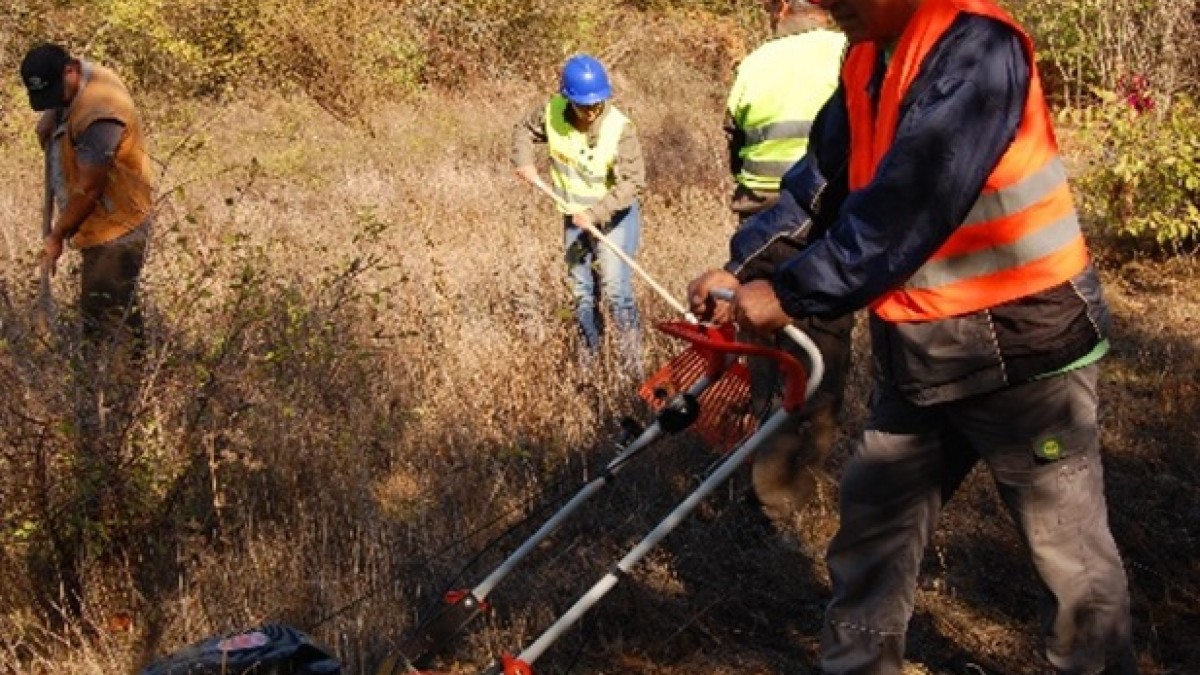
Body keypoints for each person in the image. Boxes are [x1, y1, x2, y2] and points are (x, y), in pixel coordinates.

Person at [687, 0, 1137, 672]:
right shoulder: (867, 55)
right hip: (922, 357)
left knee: (1072, 567)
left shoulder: (978, 50)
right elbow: (820, 189)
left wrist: (787, 294)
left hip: (1024, 355)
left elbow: (906, 205)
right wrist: (744, 268)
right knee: (870, 538)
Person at [20, 42, 154, 618]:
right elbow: (54, 131)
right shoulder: (75, 94)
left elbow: (91, 186)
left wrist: (57, 237)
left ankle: (109, 412)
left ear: (73, 72)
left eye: (56, 92)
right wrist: (50, 121)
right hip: (99, 227)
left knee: (100, 331)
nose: (53, 104)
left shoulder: (99, 113)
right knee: (122, 318)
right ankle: (142, 380)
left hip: (113, 230)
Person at [723, 0, 853, 525]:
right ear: (826, 13)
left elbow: (733, 141)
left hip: (758, 220)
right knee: (819, 357)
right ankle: (779, 495)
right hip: (824, 223)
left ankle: (754, 442)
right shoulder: (846, 52)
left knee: (763, 347)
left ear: (783, 14)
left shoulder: (755, 62)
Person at [512, 54, 646, 377]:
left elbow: (634, 183)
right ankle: (590, 370)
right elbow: (523, 129)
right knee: (582, 294)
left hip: (615, 219)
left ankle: (634, 373)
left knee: (616, 293)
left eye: (597, 104)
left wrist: (595, 212)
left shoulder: (620, 129)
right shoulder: (552, 112)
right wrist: (524, 160)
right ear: (568, 99)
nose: (591, 111)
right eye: (584, 105)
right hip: (574, 223)